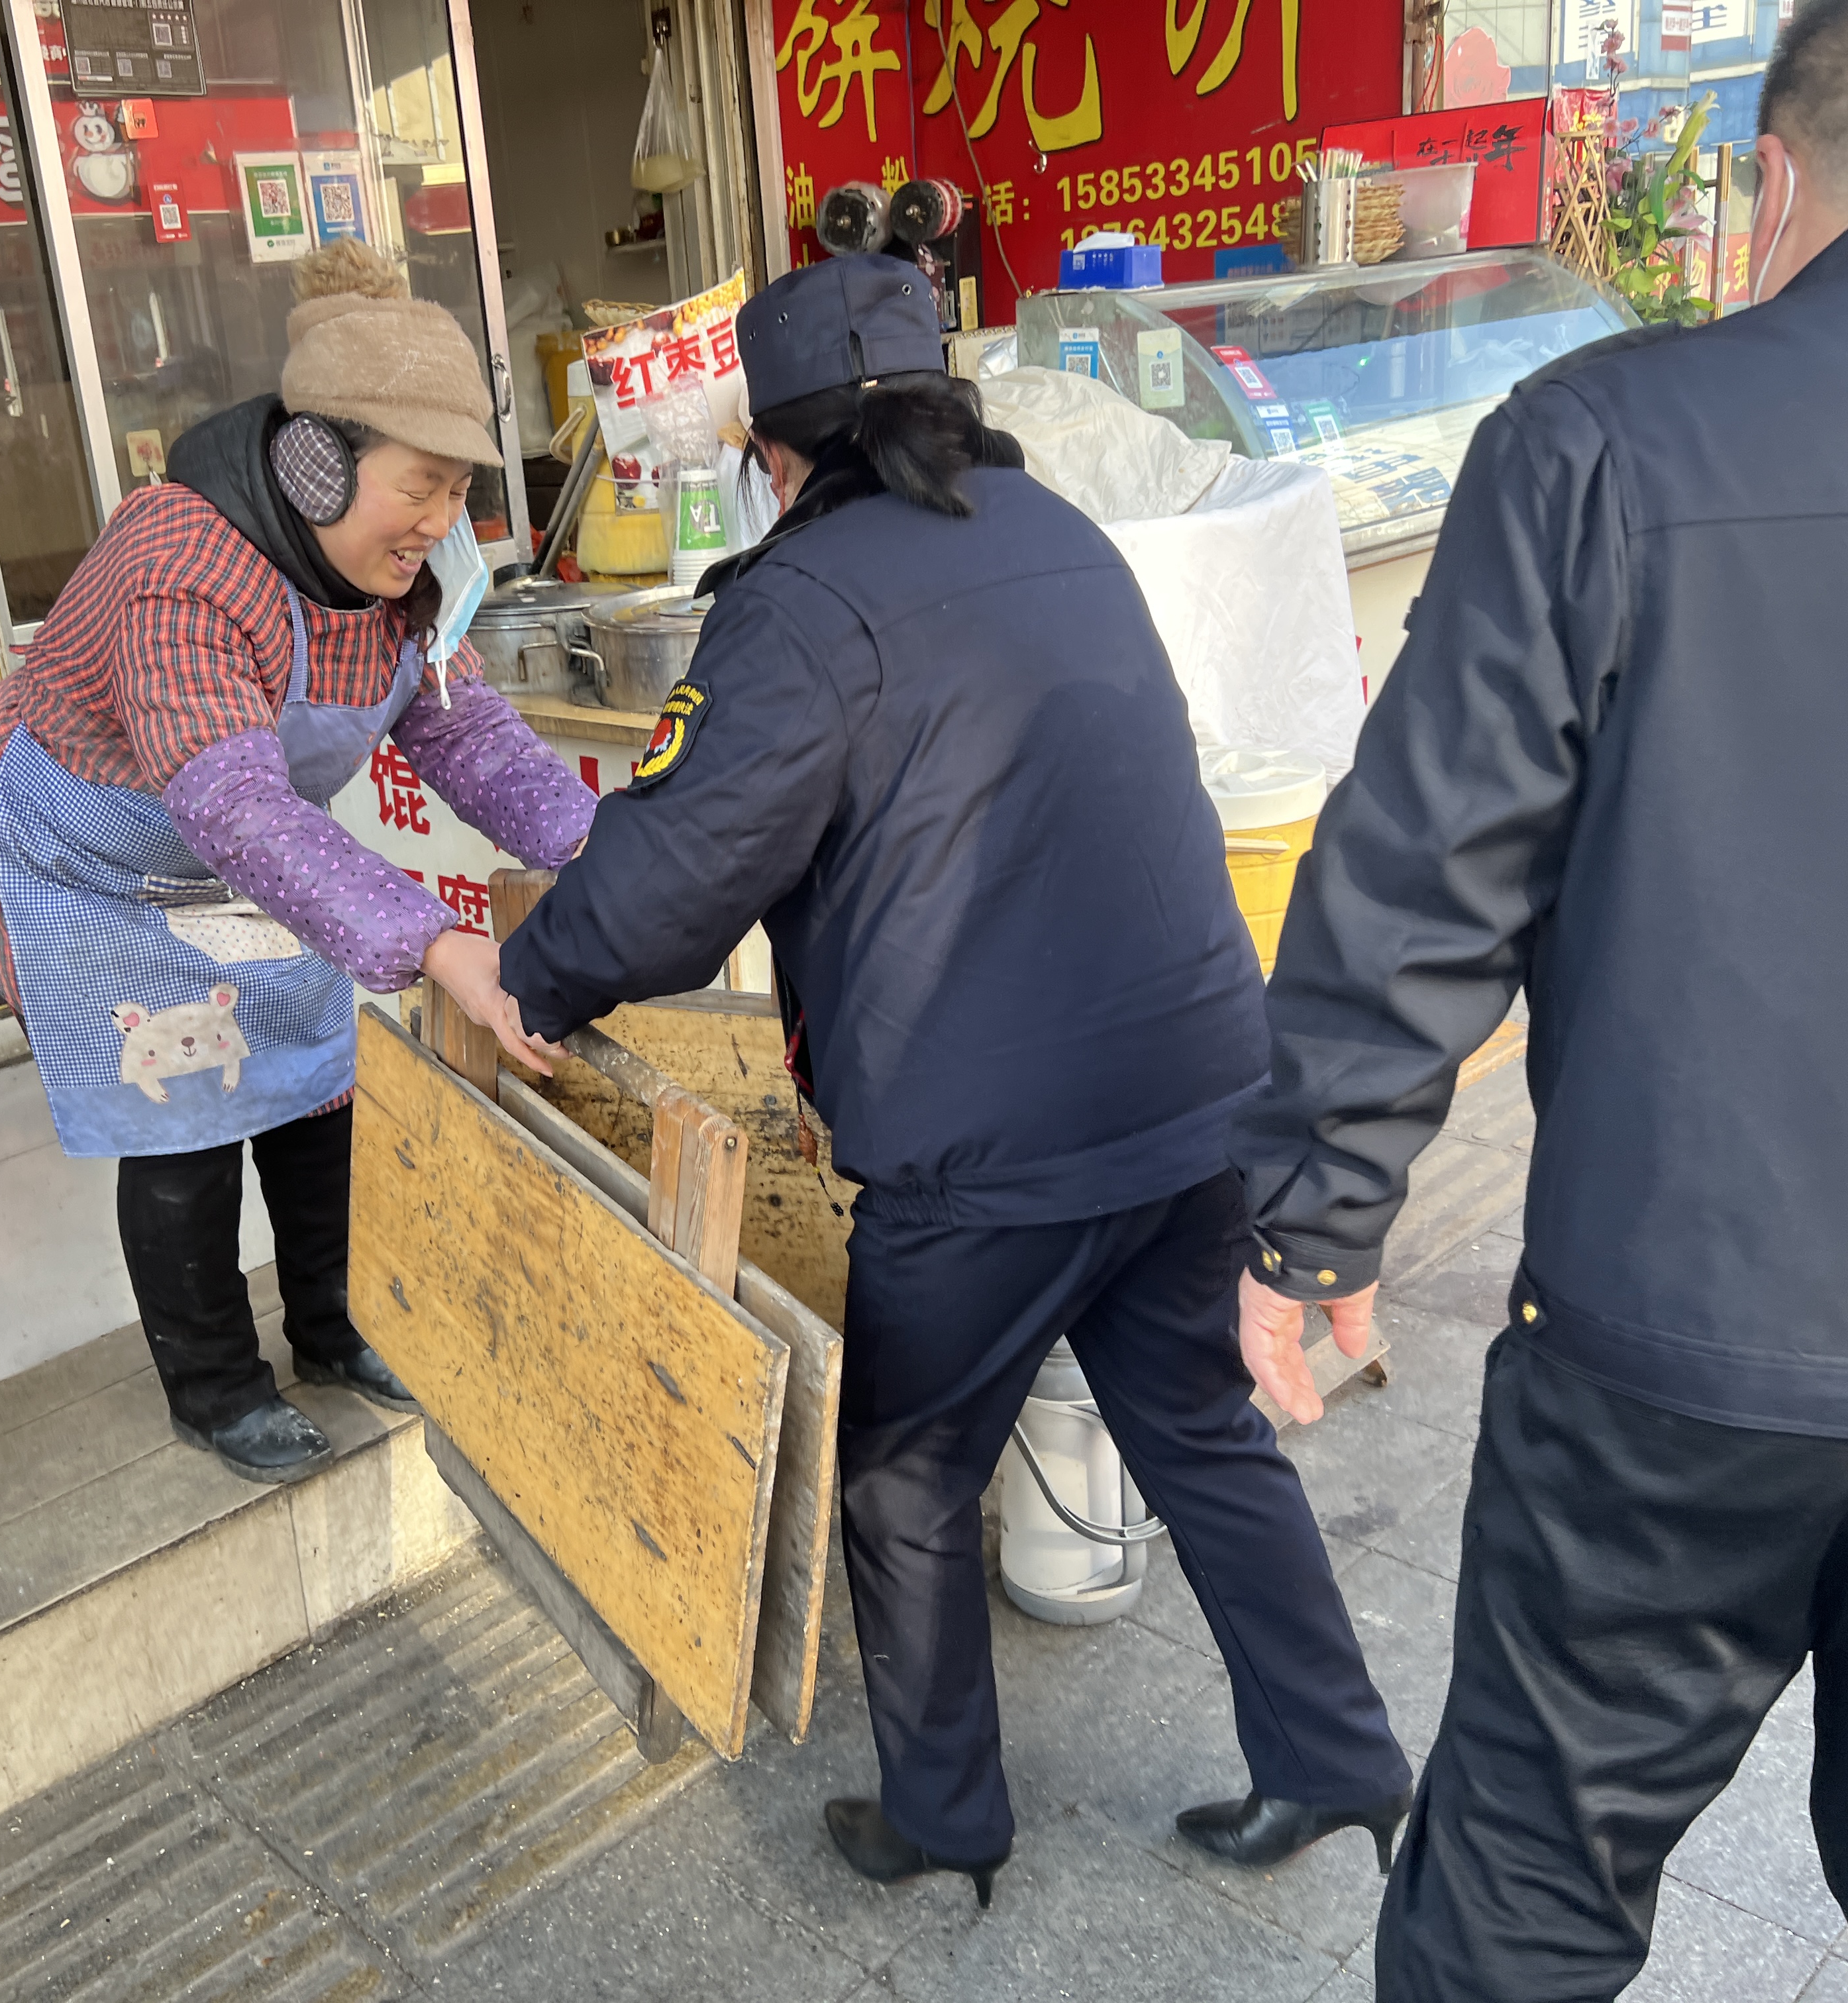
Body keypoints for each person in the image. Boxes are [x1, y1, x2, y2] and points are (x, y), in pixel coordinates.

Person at [493, 254, 1412, 1904]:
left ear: (777, 455)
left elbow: (672, 878)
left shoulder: (798, 601)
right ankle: (1338, 1757)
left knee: (908, 1476)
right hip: (1201, 1095)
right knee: (1202, 1434)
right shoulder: (1060, 533)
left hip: (988, 1153)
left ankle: (945, 1817)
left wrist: (532, 982)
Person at [1225, 3, 1848, 1994]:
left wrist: (1314, 1221)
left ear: (1775, 181)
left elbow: (1427, 864)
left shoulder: (1608, 438)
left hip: (1671, 1340)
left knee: (1525, 1900)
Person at [0, 240, 595, 1487]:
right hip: (91, 855)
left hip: (248, 847)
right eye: (420, 487)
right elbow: (232, 801)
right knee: (180, 1111)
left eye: (460, 490)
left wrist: (603, 849)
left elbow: (464, 732)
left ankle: (338, 1324)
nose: (442, 523)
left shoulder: (409, 574)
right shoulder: (178, 564)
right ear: (315, 463)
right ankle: (215, 1386)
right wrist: (437, 942)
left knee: (317, 1079)